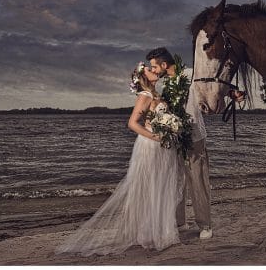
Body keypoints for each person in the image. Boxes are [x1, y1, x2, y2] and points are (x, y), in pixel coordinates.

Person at [56, 62, 184, 256]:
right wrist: (156, 137)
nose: (154, 70)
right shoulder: (145, 95)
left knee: (159, 185)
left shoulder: (157, 95)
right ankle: (146, 232)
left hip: (162, 147)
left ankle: (159, 231)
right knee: (147, 187)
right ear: (143, 77)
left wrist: (170, 130)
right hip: (149, 146)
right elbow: (132, 123)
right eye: (150, 69)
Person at [146, 47, 212, 239]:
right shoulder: (167, 86)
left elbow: (209, 92)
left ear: (164, 65)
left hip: (195, 137)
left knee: (197, 180)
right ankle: (180, 221)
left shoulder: (191, 75)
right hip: (175, 137)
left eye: (154, 66)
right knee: (176, 180)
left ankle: (205, 224)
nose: (154, 70)